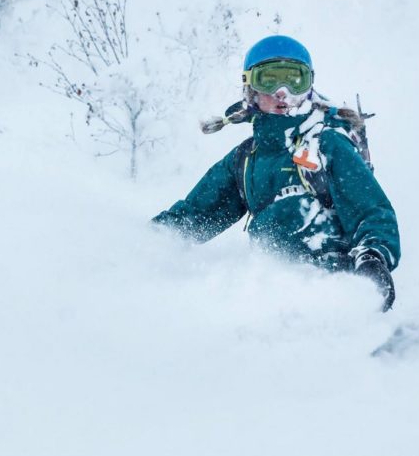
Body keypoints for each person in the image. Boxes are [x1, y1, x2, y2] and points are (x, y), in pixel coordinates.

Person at [152, 35, 401, 311]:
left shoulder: (328, 144)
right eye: (268, 79)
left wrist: (373, 259)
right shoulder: (244, 160)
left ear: (309, 87)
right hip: (271, 299)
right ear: (251, 90)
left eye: (295, 80)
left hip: (333, 291)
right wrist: (146, 243)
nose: (282, 91)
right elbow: (193, 217)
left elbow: (371, 211)